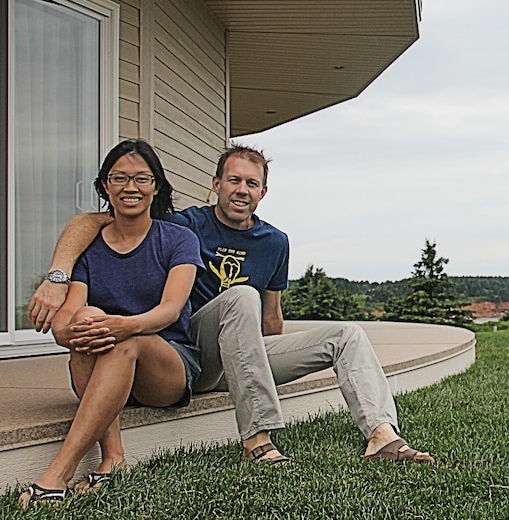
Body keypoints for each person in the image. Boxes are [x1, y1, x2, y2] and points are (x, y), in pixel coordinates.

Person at [28, 143, 433, 469]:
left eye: (252, 184)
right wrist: (59, 272)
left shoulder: (276, 241)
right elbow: (96, 221)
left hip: (237, 351)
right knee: (242, 295)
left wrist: (257, 360)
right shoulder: (186, 225)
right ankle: (257, 437)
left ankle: (382, 435)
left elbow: (271, 317)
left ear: (263, 192)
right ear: (216, 184)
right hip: (190, 347)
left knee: (347, 335)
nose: (242, 190)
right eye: (234, 180)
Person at [20, 140, 203, 508]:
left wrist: (123, 325)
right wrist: (76, 325)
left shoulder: (178, 239)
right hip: (106, 361)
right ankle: (114, 458)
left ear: (156, 186)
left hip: (165, 366)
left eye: (141, 178)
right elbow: (66, 323)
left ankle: (58, 473)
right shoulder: (90, 250)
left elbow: (169, 310)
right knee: (90, 318)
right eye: (118, 177)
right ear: (105, 185)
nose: (129, 187)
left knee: (124, 336)